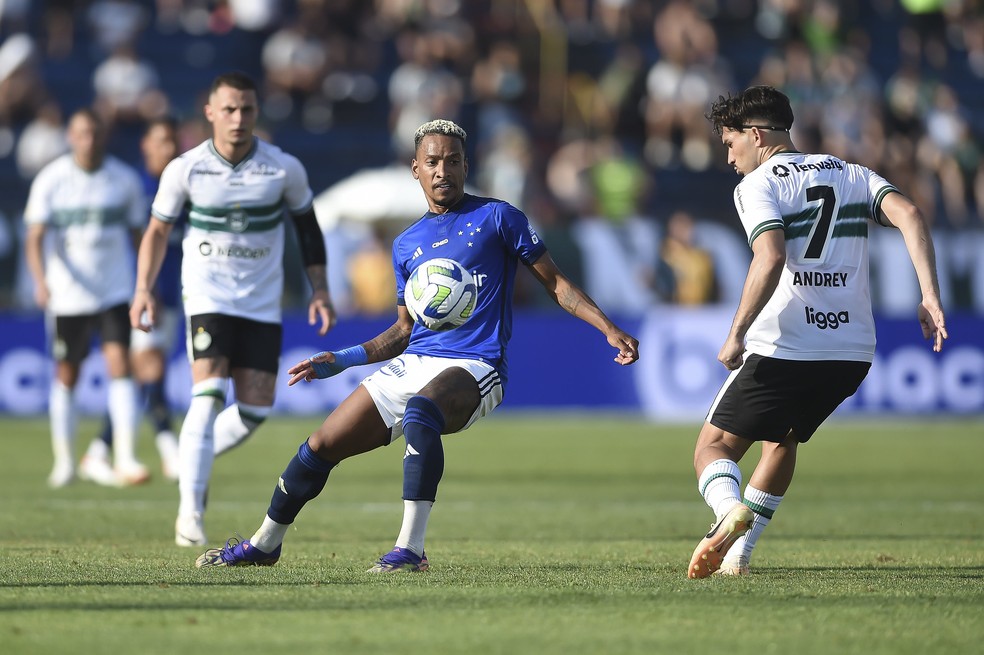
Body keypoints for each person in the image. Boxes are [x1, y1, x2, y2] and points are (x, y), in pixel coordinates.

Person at [194, 119, 640, 572]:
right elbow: (403, 330)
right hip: (415, 361)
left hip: (476, 364)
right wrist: (344, 359)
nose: (442, 170)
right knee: (319, 444)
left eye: (451, 161)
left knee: (422, 412)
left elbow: (558, 284)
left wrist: (607, 328)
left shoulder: (499, 217)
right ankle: (264, 544)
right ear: (416, 170)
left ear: (466, 166)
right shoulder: (406, 243)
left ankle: (410, 550)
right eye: (432, 162)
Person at [687, 86, 948, 579]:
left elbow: (770, 256)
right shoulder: (849, 171)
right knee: (782, 439)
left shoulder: (758, 184)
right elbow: (910, 214)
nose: (728, 155)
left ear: (756, 135)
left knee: (713, 447)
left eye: (730, 142)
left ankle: (727, 513)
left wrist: (736, 331)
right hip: (851, 350)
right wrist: (930, 295)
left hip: (786, 342)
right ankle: (738, 556)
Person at [129, 71, 337, 547]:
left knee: (255, 409)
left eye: (246, 109)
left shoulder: (282, 168)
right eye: (228, 109)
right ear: (209, 112)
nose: (238, 118)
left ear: (256, 112)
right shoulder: (186, 168)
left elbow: (308, 230)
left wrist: (320, 290)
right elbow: (157, 232)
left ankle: (190, 456)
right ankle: (190, 513)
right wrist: (142, 289)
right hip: (207, 297)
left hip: (262, 304)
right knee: (208, 396)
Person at [24, 108, 149, 488]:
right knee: (68, 374)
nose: (88, 140)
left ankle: (126, 456)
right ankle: (64, 462)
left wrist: (144, 284)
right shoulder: (53, 179)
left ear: (103, 136)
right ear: (70, 136)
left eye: (94, 133)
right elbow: (34, 236)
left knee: (120, 366)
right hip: (68, 295)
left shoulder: (123, 180)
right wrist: (40, 281)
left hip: (114, 289)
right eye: (81, 133)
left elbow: (139, 236)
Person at [82, 118, 183, 486]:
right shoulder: (133, 187)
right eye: (161, 141)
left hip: (174, 295)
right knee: (149, 366)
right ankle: (170, 450)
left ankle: (97, 450)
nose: (169, 149)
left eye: (173, 141)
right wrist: (140, 287)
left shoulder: (184, 186)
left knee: (144, 375)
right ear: (145, 145)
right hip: (140, 295)